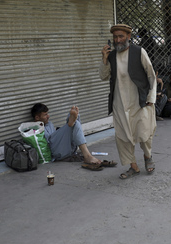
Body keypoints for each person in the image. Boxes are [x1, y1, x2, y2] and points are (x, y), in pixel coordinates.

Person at [100, 24, 157, 179]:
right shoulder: (111, 56)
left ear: (128, 37)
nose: (118, 40)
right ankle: (133, 166)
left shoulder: (139, 52)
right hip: (119, 102)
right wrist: (104, 60)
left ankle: (147, 156)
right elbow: (104, 77)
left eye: (121, 36)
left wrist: (151, 97)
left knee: (144, 132)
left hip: (139, 100)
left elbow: (151, 75)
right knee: (123, 136)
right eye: (115, 37)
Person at [31, 103, 104, 169]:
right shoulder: (34, 129)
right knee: (73, 124)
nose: (48, 116)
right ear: (37, 118)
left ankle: (71, 120)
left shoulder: (49, 124)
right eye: (45, 115)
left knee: (76, 122)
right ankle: (88, 156)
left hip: (66, 148)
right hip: (55, 151)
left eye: (47, 114)